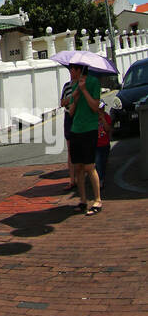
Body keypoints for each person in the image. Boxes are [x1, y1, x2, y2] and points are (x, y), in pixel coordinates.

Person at [67, 67, 102, 214]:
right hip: (76, 129)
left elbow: (95, 107)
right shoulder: (74, 85)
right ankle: (83, 200)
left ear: (79, 70)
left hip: (89, 128)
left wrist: (84, 90)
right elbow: (71, 112)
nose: (70, 73)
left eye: (72, 70)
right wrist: (75, 97)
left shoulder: (94, 83)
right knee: (78, 167)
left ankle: (98, 200)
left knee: (89, 166)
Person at [61, 68, 79, 194]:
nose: (71, 74)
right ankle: (72, 179)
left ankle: (79, 178)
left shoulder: (82, 85)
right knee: (70, 149)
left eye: (73, 71)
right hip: (68, 117)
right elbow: (62, 102)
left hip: (79, 117)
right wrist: (72, 97)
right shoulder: (67, 86)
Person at [95, 99, 112, 193]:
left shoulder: (106, 117)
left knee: (104, 161)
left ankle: (102, 176)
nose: (103, 110)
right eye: (100, 108)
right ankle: (100, 179)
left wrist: (103, 119)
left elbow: (107, 129)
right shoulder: (92, 119)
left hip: (105, 144)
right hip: (96, 145)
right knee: (97, 162)